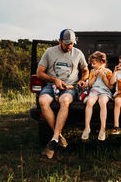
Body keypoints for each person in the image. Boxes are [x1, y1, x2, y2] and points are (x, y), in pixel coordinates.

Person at [37, 29, 89, 159]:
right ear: (59, 41)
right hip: (51, 85)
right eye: (66, 44)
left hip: (70, 87)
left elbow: (86, 70)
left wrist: (82, 80)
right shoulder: (49, 52)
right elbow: (40, 73)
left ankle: (53, 140)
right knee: (43, 100)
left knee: (64, 101)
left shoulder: (78, 53)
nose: (69, 46)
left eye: (71, 43)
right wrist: (54, 80)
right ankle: (58, 136)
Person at [81, 51, 113, 141]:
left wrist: (103, 77)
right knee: (89, 102)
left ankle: (102, 128)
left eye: (94, 63)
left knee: (102, 102)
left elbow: (110, 86)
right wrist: (94, 77)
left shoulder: (108, 72)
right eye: (91, 63)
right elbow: (90, 85)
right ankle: (87, 127)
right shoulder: (92, 71)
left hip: (104, 92)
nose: (92, 65)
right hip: (94, 91)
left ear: (102, 62)